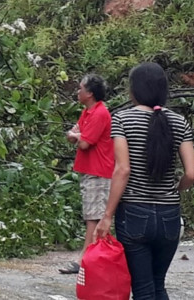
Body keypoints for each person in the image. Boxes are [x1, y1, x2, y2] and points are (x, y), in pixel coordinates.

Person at [95, 62, 194, 299]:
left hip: (133, 214)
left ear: (134, 90)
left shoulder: (121, 119)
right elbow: (192, 173)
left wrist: (107, 215)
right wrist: (176, 188)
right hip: (169, 215)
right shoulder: (179, 122)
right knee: (158, 285)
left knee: (142, 288)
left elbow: (123, 170)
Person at [59, 74, 113, 274]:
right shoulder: (87, 113)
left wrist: (77, 136)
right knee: (92, 216)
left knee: (95, 218)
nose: (78, 91)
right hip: (90, 170)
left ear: (89, 93)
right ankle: (93, 258)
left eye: (80, 88)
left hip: (98, 171)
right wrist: (77, 135)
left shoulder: (100, 114)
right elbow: (75, 135)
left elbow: (83, 142)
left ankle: (86, 260)